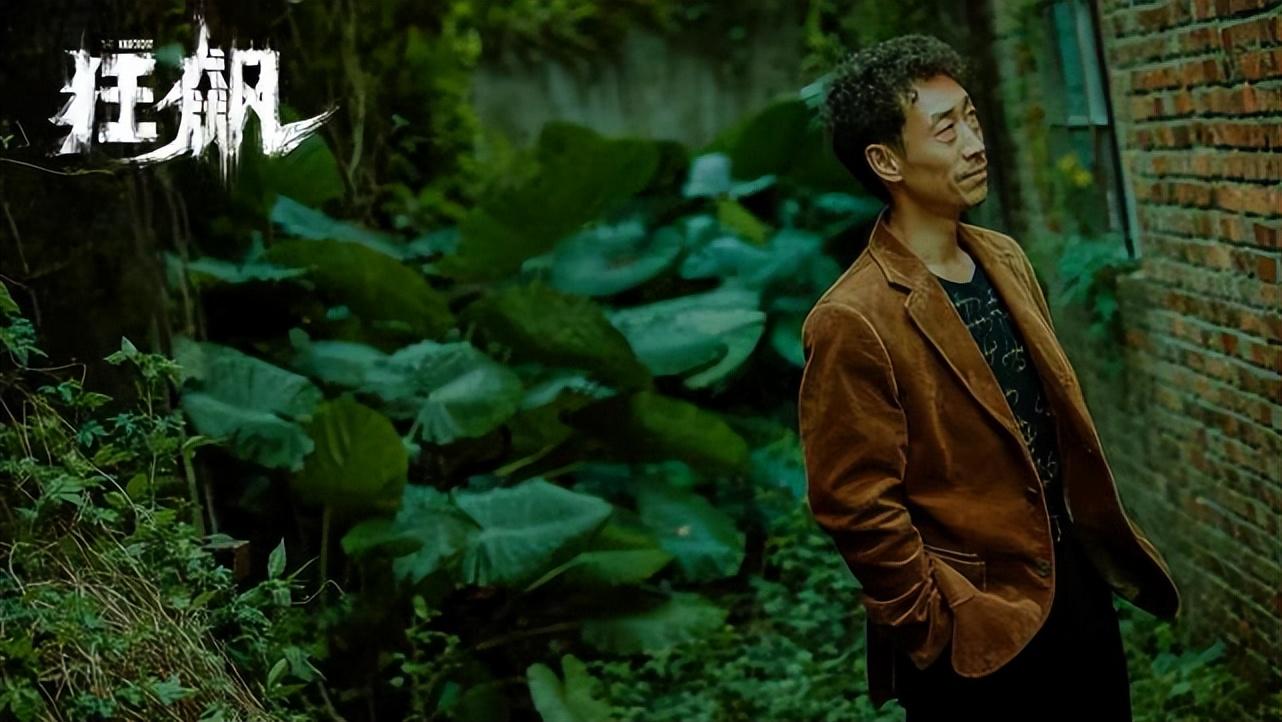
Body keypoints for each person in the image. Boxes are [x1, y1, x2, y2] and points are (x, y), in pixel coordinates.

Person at [796, 34, 1181, 721]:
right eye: (947, 129)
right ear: (886, 160)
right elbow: (853, 503)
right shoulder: (853, 318)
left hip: (1076, 590)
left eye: (972, 118)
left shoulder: (1003, 257)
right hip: (974, 629)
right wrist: (935, 627)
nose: (975, 144)